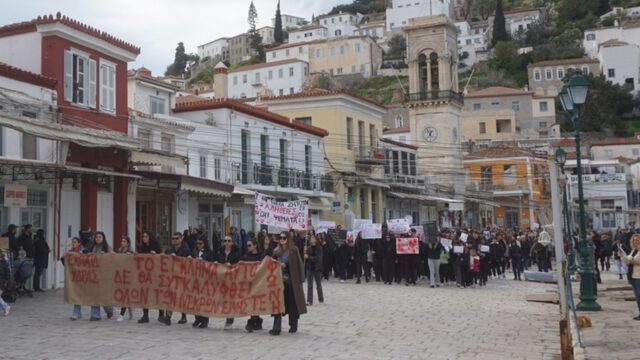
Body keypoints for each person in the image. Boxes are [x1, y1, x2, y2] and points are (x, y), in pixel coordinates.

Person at [270, 232, 307, 335]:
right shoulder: (276, 251)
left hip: (291, 281)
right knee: (277, 303)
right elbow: (271, 263)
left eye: (284, 238)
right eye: (280, 238)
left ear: (288, 239)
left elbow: (299, 264)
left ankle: (293, 325)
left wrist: (301, 278)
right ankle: (276, 328)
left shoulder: (293, 250)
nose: (282, 239)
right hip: (278, 281)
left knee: (292, 304)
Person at [161, 232, 191, 326]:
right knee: (171, 296)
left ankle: (183, 316)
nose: (174, 240)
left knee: (181, 297)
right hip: (171, 276)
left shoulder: (186, 250)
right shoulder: (169, 250)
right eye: (173, 238)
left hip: (182, 277)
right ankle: (168, 317)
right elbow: (163, 259)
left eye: (176, 238)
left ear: (181, 239)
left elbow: (189, 262)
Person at [137, 231, 162, 324]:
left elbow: (162, 258)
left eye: (146, 236)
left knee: (158, 294)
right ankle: (145, 315)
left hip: (155, 275)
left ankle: (161, 314)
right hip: (145, 275)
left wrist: (155, 255)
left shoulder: (156, 247)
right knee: (145, 295)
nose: (144, 238)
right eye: (143, 236)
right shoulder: (142, 248)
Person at [89, 231, 114, 321]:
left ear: (103, 238)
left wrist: (106, 255)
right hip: (94, 275)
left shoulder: (107, 247)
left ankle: (109, 309)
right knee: (94, 294)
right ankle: (95, 315)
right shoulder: (93, 247)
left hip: (104, 275)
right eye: (96, 237)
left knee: (103, 294)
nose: (98, 239)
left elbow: (114, 257)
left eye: (100, 237)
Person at [218, 234, 240, 330]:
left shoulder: (237, 252)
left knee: (230, 299)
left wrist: (231, 265)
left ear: (232, 242)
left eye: (229, 241)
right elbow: (216, 259)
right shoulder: (220, 251)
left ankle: (229, 321)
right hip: (221, 279)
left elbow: (239, 262)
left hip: (233, 279)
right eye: (225, 241)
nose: (226, 243)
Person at [192, 238, 214, 329]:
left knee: (204, 300)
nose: (198, 245)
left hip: (205, 279)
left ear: (204, 244)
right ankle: (197, 318)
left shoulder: (209, 252)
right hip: (196, 279)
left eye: (200, 243)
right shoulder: (194, 252)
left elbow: (212, 262)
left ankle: (205, 320)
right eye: (197, 243)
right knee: (195, 299)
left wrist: (203, 260)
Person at [242, 238, 264, 332]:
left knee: (255, 302)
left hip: (258, 283)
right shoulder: (246, 256)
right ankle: (256, 321)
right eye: (247, 245)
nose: (248, 247)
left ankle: (253, 322)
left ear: (255, 246)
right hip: (249, 283)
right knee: (251, 302)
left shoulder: (261, 256)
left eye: (250, 245)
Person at [619, 234, 640, 320]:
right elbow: (627, 262)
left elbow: (637, 262)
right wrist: (622, 256)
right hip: (633, 275)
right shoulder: (634, 251)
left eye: (637, 240)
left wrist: (632, 261)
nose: (635, 242)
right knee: (637, 296)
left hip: (639, 276)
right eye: (634, 240)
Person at [116, 236, 134, 322]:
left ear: (128, 243)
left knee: (125, 295)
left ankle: (121, 314)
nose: (122, 243)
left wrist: (130, 256)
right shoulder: (119, 251)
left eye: (124, 241)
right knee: (125, 295)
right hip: (120, 275)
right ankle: (130, 311)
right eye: (121, 241)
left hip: (128, 276)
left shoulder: (130, 251)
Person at [305, 235, 324, 305]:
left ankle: (321, 299)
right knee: (309, 285)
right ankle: (309, 300)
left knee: (318, 284)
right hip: (310, 268)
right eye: (311, 238)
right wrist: (304, 253)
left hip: (317, 268)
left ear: (316, 240)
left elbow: (318, 259)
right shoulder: (308, 248)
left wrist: (308, 257)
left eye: (313, 238)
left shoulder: (319, 248)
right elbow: (306, 259)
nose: (311, 239)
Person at [0, 249, 11, 316]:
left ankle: (5, 306)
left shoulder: (4, 262)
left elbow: (8, 274)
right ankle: (5, 307)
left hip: (1, 283)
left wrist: (7, 283)